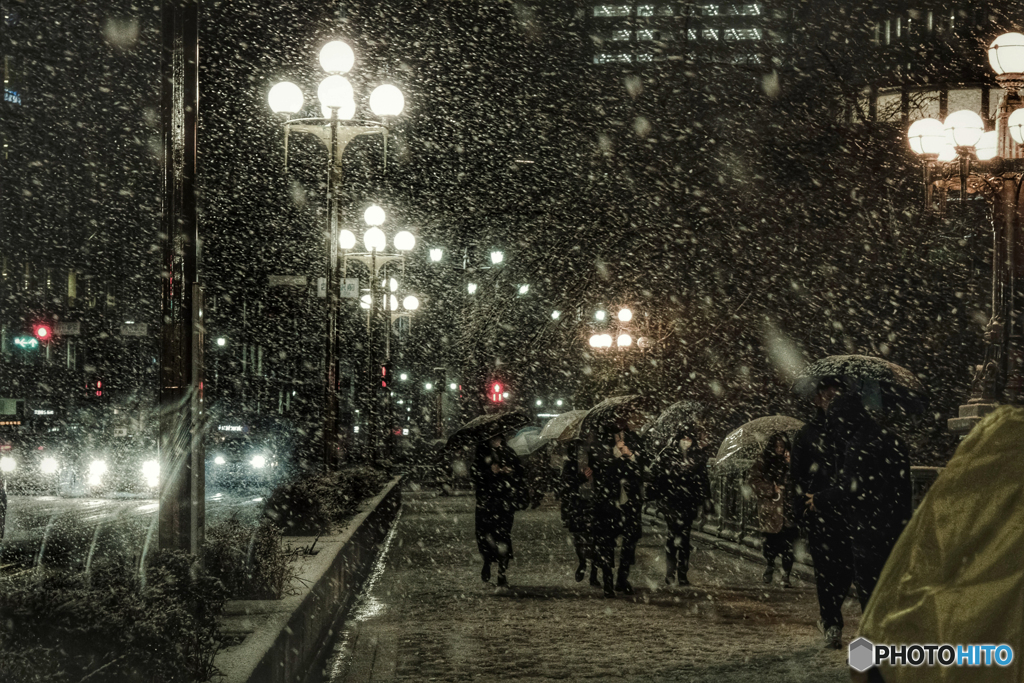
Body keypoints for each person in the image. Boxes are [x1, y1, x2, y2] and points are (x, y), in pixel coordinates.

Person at [809, 387, 912, 611]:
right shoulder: (893, 439)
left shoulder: (858, 444)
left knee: (870, 593)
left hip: (870, 531)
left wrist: (820, 498)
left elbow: (850, 488)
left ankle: (873, 640)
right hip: (898, 529)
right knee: (893, 593)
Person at [790, 379, 853, 650]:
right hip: (819, 511)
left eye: (837, 396)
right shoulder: (806, 434)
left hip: (847, 511)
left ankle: (831, 615)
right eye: (828, 396)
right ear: (817, 400)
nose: (833, 400)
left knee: (846, 569)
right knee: (826, 570)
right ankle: (831, 622)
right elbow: (796, 476)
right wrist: (799, 511)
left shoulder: (850, 432)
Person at [648, 426, 710, 586]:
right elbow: (655, 474)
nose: (686, 442)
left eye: (689, 439)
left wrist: (705, 499)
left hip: (688, 502)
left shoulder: (697, 456)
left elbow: (703, 480)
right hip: (672, 501)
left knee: (684, 538)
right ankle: (671, 572)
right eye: (684, 439)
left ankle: (681, 574)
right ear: (678, 440)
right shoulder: (667, 454)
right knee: (673, 535)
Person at [590, 420, 644, 598]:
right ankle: (607, 581)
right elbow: (602, 473)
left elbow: (640, 473)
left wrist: (628, 455)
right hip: (607, 504)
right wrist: (621, 459)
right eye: (617, 434)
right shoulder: (599, 451)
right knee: (606, 544)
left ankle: (622, 578)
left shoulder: (631, 449)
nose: (621, 437)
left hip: (629, 504)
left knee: (629, 543)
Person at [470, 434, 527, 588]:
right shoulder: (482, 454)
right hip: (487, 503)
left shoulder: (508, 452)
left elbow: (520, 474)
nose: (496, 441)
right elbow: (475, 476)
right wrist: (490, 473)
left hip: (504, 502)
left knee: (503, 536)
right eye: (493, 439)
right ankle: (487, 562)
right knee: (484, 535)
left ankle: (502, 572)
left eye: (498, 438)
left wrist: (510, 472)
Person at [748, 432, 798, 587]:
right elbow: (753, 481)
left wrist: (791, 464)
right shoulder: (763, 461)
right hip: (771, 509)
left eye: (782, 446)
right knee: (770, 543)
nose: (779, 449)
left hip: (789, 508)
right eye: (776, 446)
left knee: (789, 546)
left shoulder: (792, 460)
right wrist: (771, 489)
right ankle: (770, 563)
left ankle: (786, 575)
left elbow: (800, 480)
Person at [559, 442, 597, 585]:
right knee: (580, 538)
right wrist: (580, 478)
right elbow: (566, 485)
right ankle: (582, 563)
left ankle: (594, 571)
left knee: (595, 539)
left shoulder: (596, 461)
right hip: (578, 504)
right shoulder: (570, 465)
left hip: (593, 501)